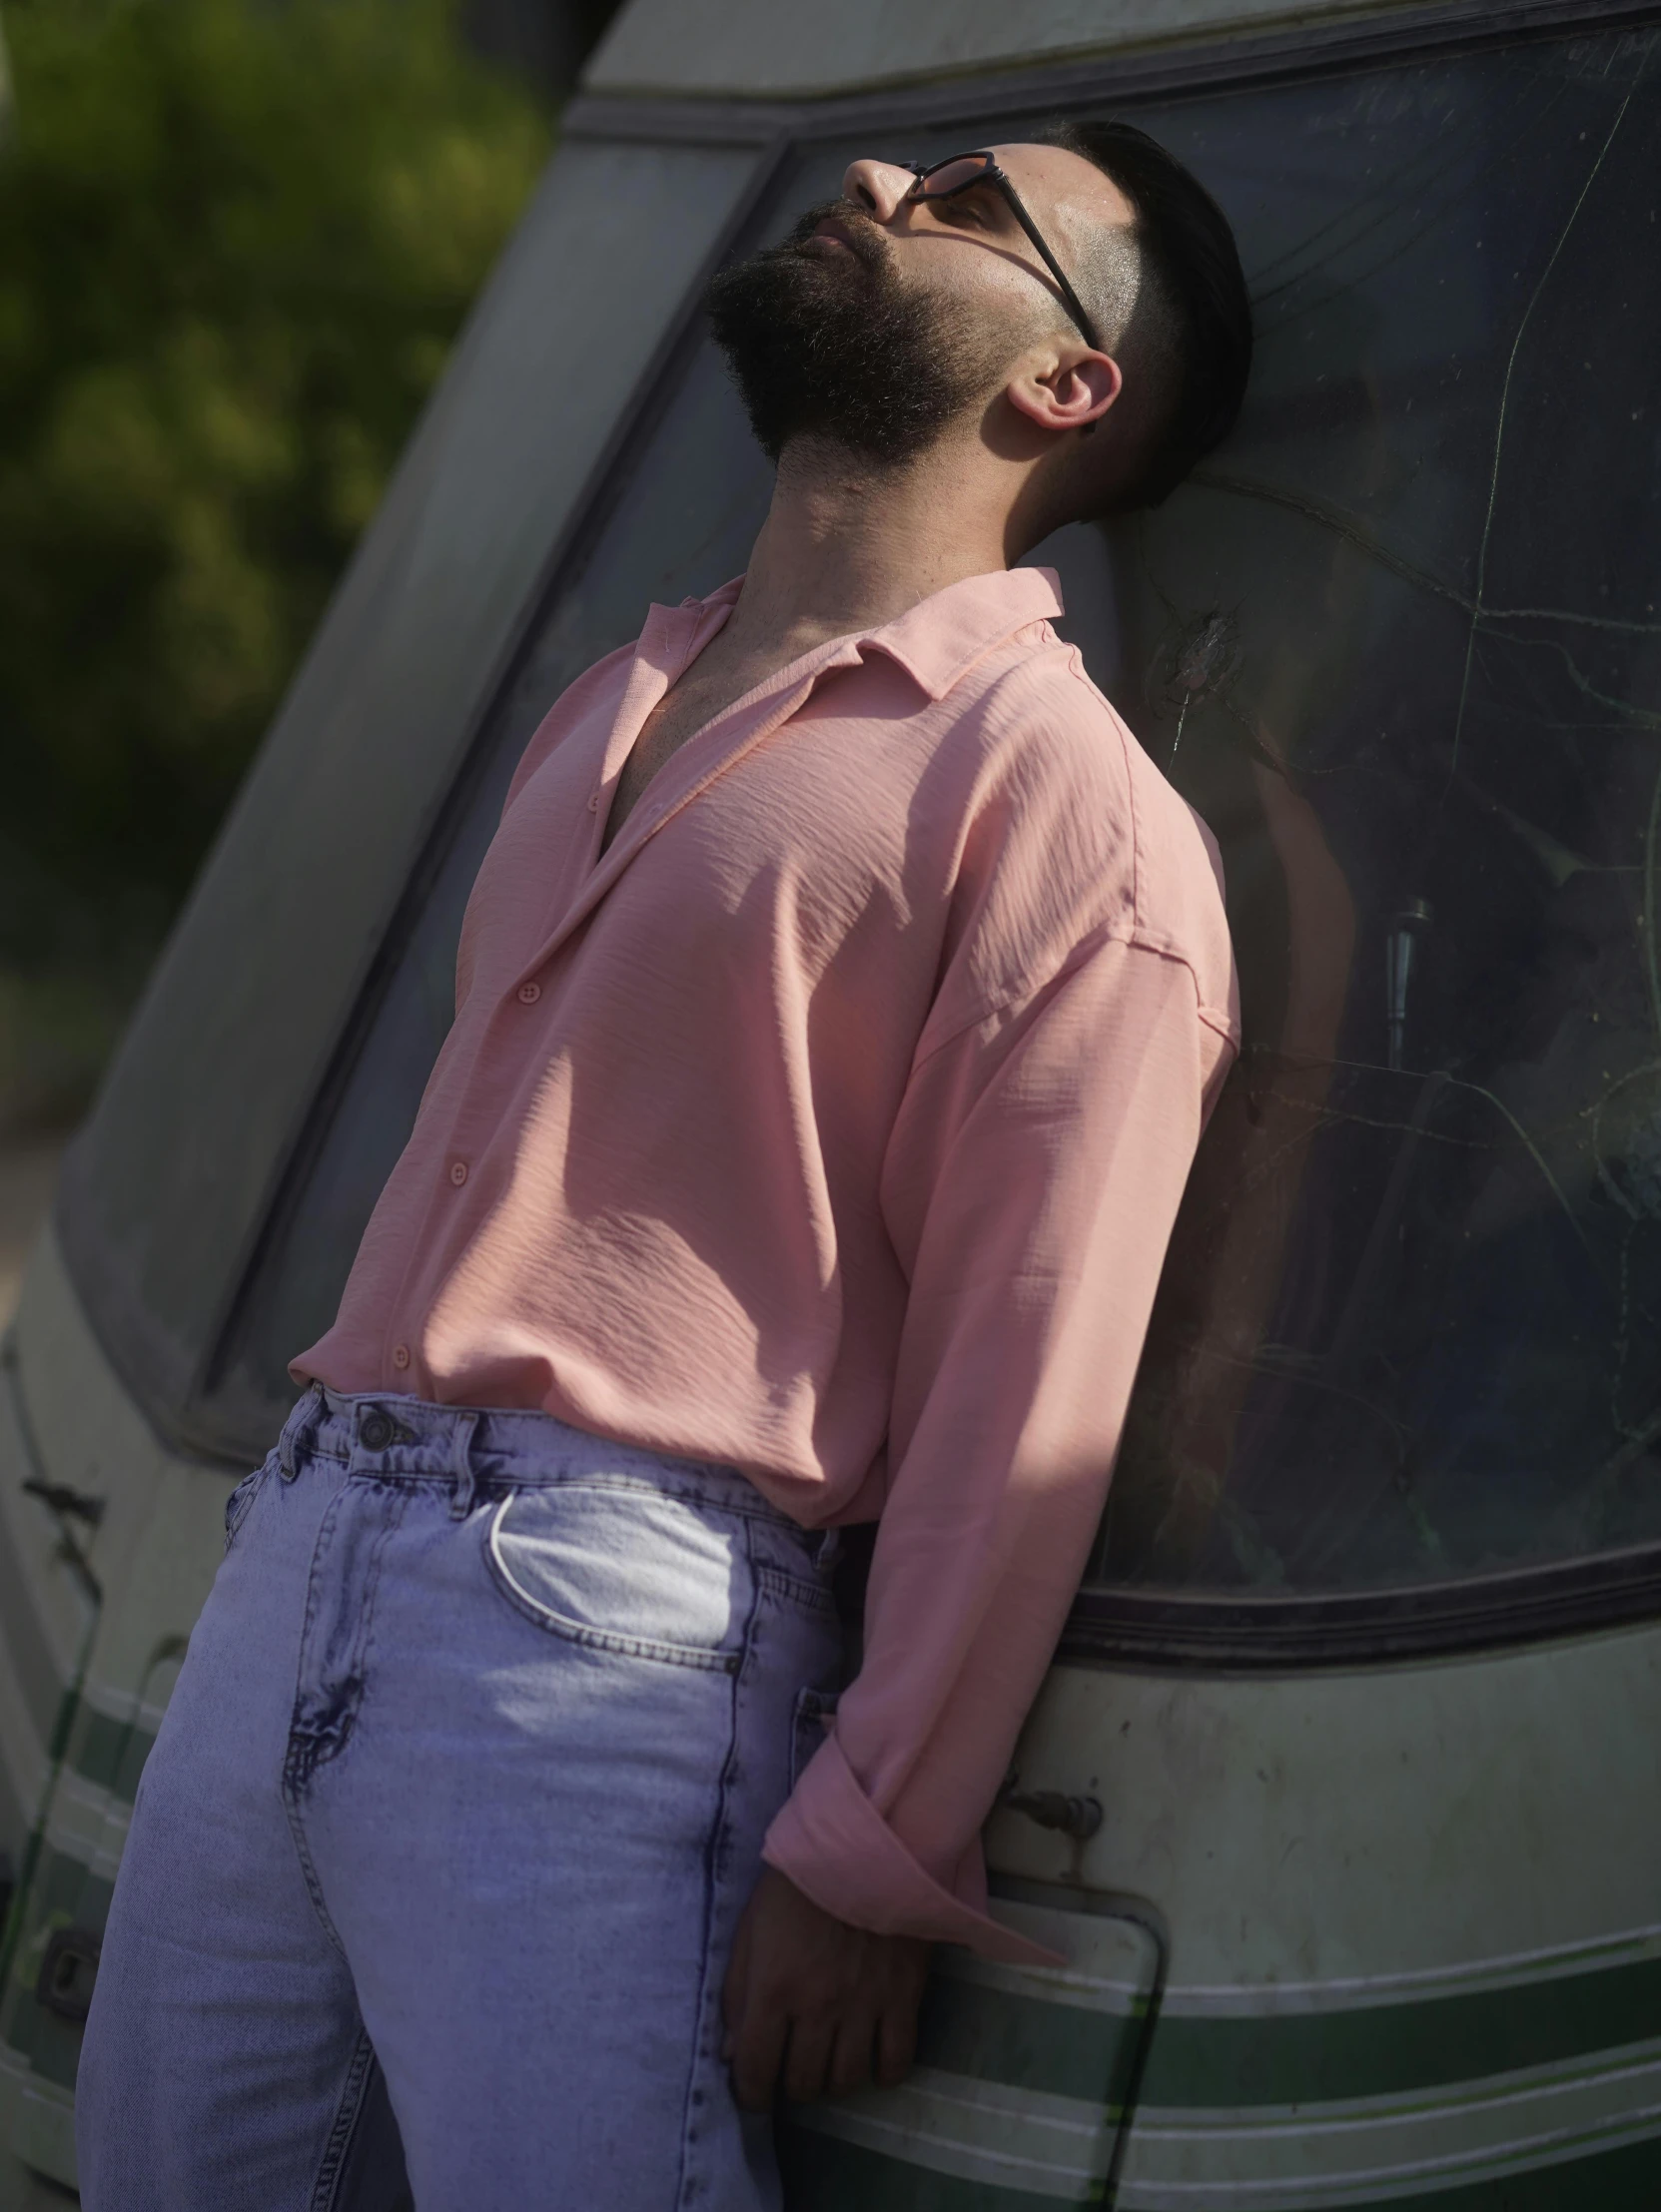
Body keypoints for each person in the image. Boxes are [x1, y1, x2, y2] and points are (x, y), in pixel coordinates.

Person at [77, 121, 1250, 2211]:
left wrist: (876, 1840)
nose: (885, 177)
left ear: (1067, 385)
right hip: (306, 1543)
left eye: (969, 203)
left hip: (603, 1628)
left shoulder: (1072, 810)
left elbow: (1027, 1383)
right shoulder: (614, 691)